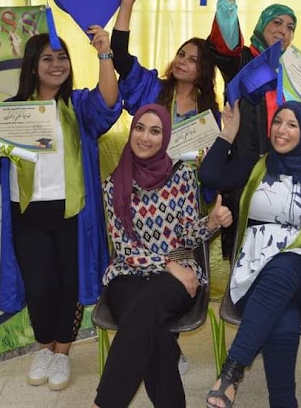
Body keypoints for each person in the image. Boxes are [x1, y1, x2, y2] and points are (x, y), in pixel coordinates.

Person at [0, 28, 121, 391]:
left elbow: (109, 102)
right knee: (38, 287)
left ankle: (62, 352)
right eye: (47, 58)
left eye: (62, 57)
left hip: (72, 214)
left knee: (68, 285)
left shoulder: (79, 106)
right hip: (27, 213)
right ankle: (44, 347)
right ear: (33, 66)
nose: (57, 64)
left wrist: (104, 53)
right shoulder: (10, 112)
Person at [92, 103, 231, 408]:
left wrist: (210, 222)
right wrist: (167, 264)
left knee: (143, 314)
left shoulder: (182, 177)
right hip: (128, 272)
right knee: (150, 328)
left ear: (165, 137)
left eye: (155, 131)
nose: (145, 137)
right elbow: (124, 248)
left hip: (177, 271)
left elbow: (187, 236)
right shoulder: (114, 184)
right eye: (140, 128)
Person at [199, 100, 301, 408]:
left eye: (292, 124)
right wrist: (228, 133)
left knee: (287, 261)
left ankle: (231, 372)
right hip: (254, 272)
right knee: (282, 318)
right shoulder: (255, 164)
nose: (281, 130)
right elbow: (209, 176)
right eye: (277, 122)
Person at [207, 0, 301, 259]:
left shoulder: (296, 73)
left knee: (283, 246)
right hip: (247, 167)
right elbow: (225, 45)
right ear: (262, 24)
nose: (283, 30)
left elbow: (299, 128)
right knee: (246, 248)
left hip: (285, 173)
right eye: (277, 22)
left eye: (291, 27)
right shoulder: (244, 60)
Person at [111, 0, 220, 123]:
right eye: (181, 54)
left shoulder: (208, 111)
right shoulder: (152, 89)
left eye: (192, 60)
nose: (182, 61)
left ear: (204, 70)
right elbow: (119, 56)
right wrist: (127, 3)